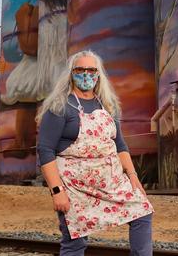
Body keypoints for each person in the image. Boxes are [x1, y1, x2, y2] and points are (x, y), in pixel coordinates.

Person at [36, 50, 154, 255]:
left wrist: (132, 176)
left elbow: (120, 145)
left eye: (91, 70)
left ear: (99, 74)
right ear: (71, 73)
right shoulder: (59, 107)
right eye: (80, 70)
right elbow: (45, 150)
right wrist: (57, 191)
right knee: (75, 242)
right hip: (74, 187)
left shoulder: (107, 105)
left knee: (142, 213)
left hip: (111, 183)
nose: (86, 74)